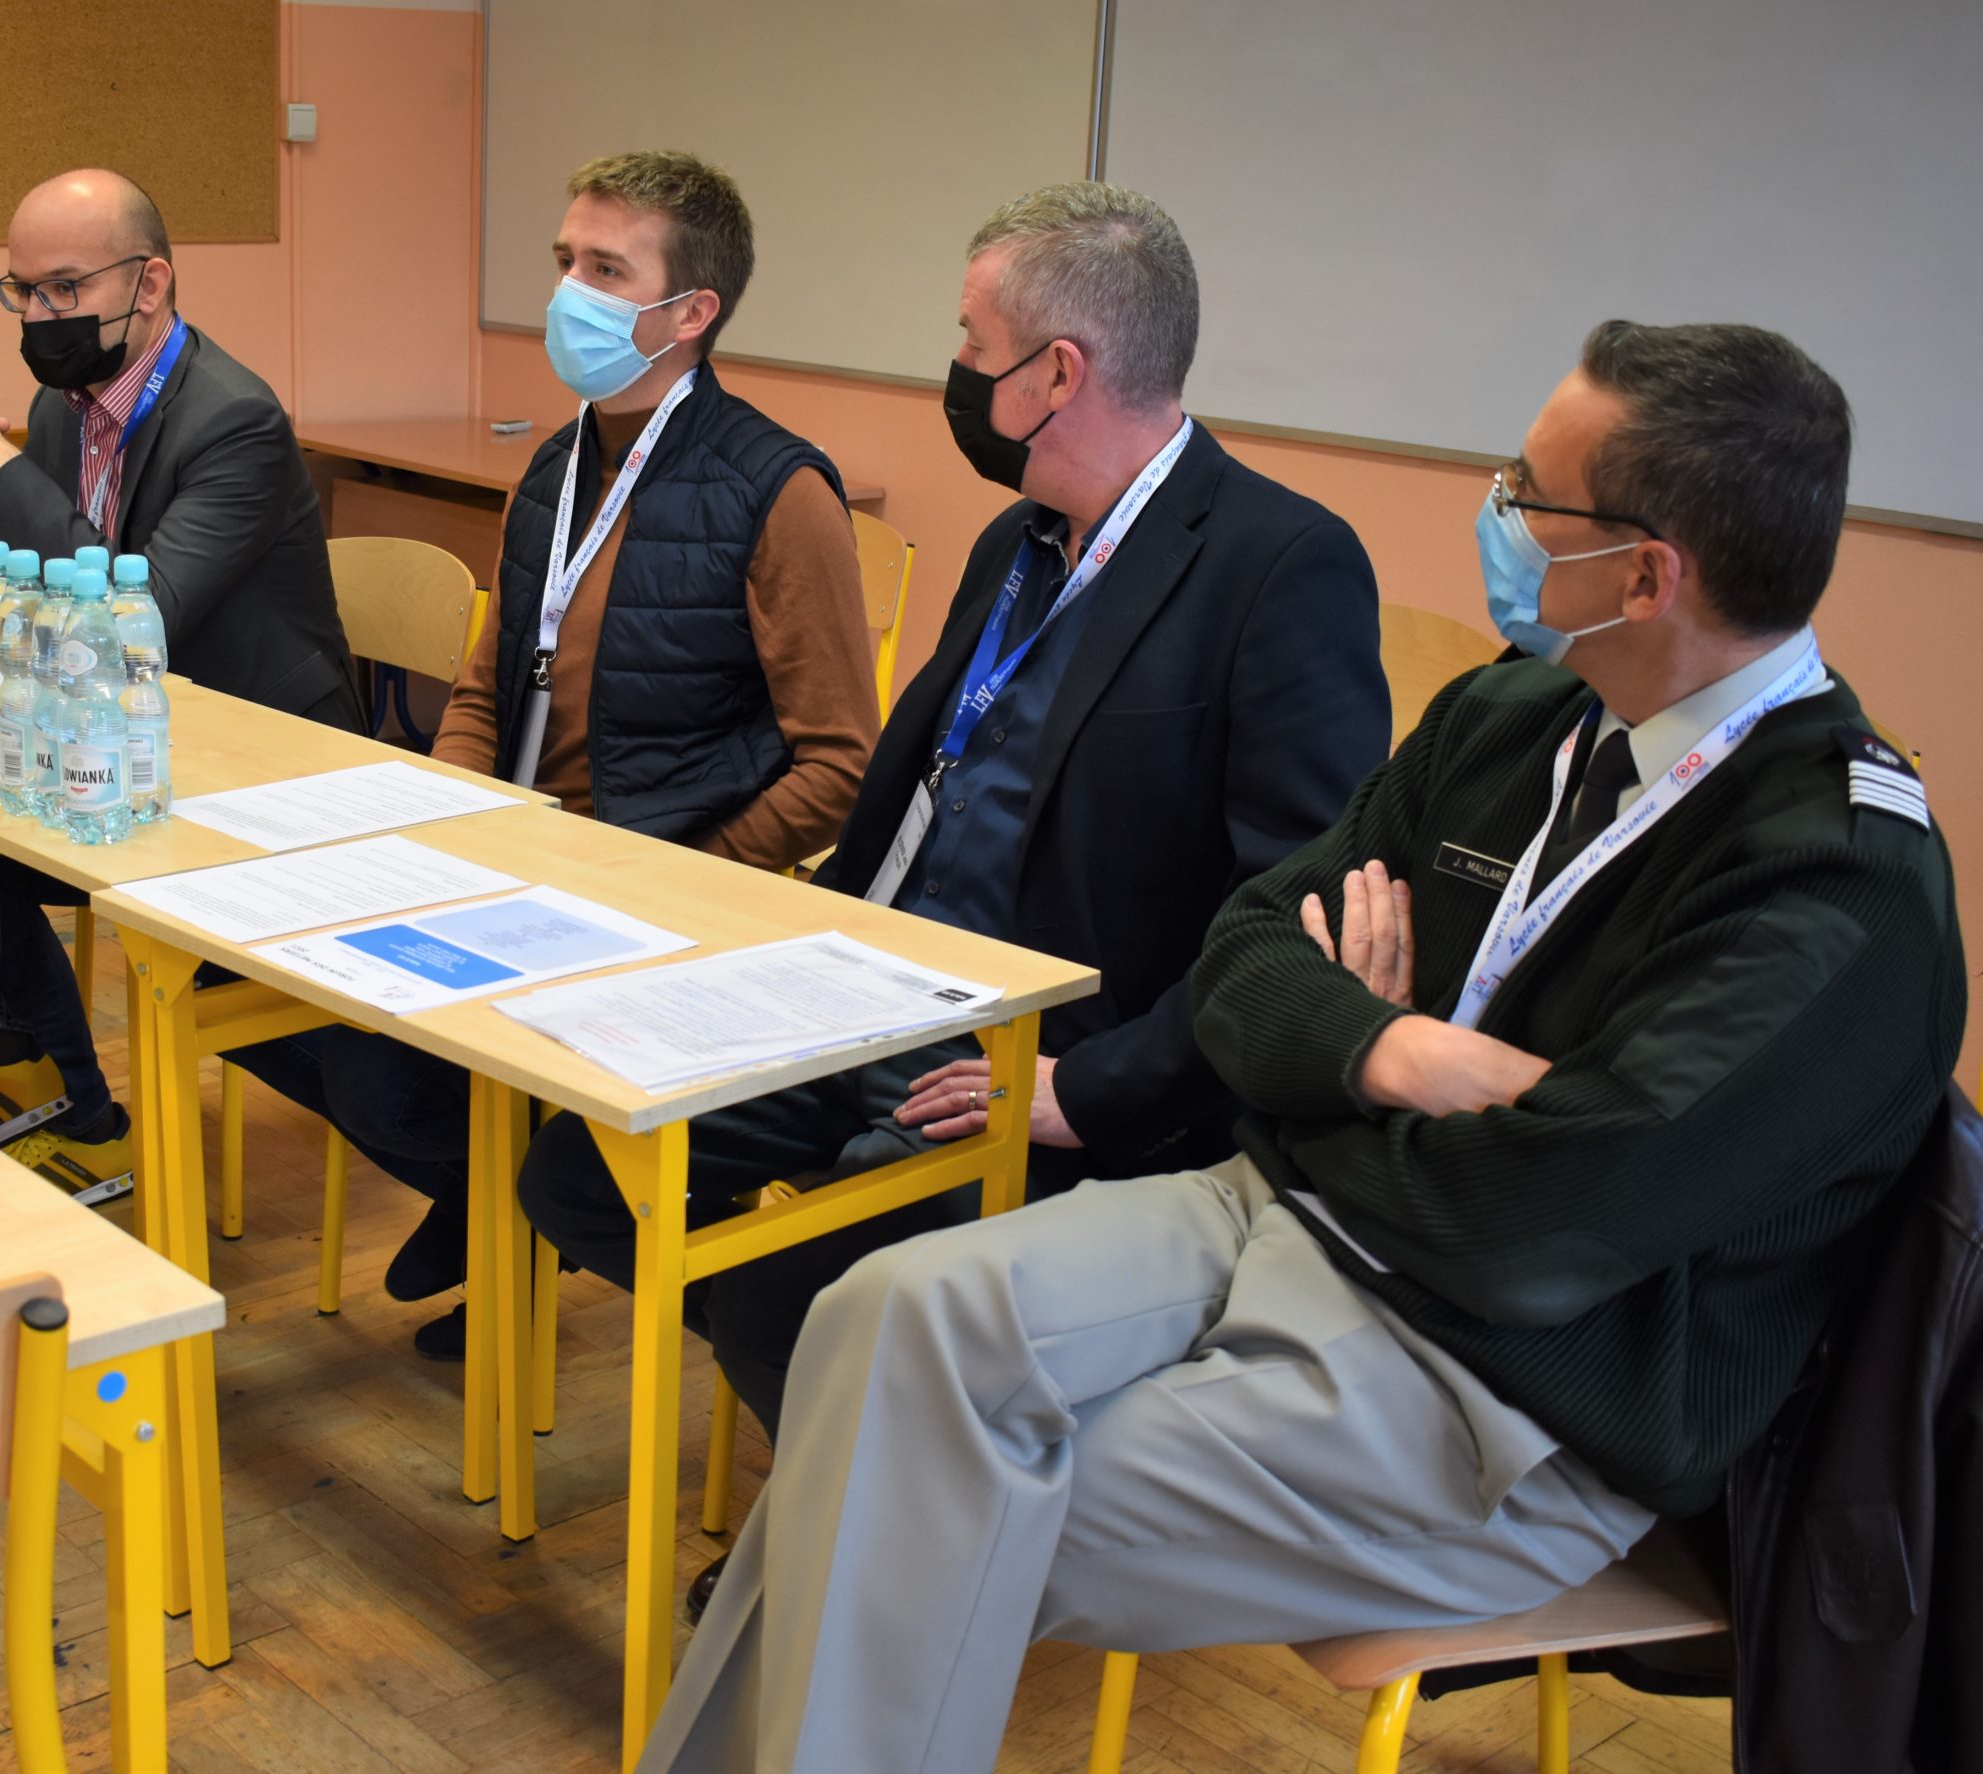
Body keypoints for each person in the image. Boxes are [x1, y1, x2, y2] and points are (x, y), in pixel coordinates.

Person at [630, 319, 1966, 1773]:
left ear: (1647, 576)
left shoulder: (1835, 879)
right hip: (1282, 1210)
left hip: (1509, 1386)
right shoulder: (1514, 714)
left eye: (1527, 495)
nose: (1496, 515)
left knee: (904, 1486)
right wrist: (1394, 1055)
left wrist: (1321, 1067)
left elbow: (1536, 1230)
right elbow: (1247, 953)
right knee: (870, 1327)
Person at [517, 179, 1389, 1557]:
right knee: (578, 1169)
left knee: (789, 1292)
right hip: (869, 994)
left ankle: (885, 1541)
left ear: (1058, 374)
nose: (958, 371)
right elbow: (912, 795)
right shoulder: (1018, 538)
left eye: (974, 345)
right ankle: (900, 1448)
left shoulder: (1278, 566)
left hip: (1045, 1064)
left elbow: (1289, 919)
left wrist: (1087, 1092)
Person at [223, 150, 877, 1355]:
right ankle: (494, 1203)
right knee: (258, 990)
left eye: (606, 269)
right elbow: (486, 682)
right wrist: (452, 823)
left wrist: (681, 874)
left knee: (383, 1075)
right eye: (565, 260)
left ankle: (512, 1208)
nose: (568, 292)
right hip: (518, 869)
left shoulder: (775, 490)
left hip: (652, 894)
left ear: (690, 311)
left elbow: (839, 764)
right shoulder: (557, 463)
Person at [0, 167, 359, 1200]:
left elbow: (131, 622)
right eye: (22, 291)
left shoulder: (235, 419)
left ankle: (56, 1090)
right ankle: (35, 1077)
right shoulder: (63, 408)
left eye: (65, 288)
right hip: (135, 734)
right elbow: (27, 606)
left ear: (149, 284)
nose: (40, 316)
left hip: (262, 762)